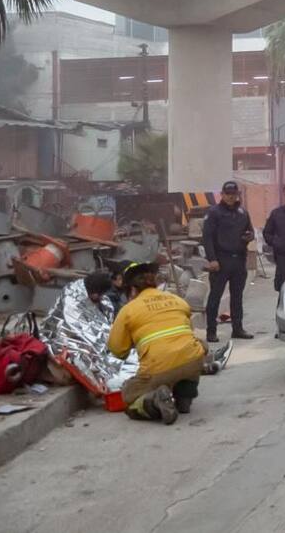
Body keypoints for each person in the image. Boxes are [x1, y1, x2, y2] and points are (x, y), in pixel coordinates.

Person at [108, 262, 207, 424]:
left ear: (132, 289)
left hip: (158, 367)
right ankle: (185, 395)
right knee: (196, 350)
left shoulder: (128, 310)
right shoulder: (177, 300)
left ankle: (154, 400)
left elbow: (117, 349)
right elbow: (188, 333)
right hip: (192, 360)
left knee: (129, 397)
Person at [202, 180, 255, 342]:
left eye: (233, 194)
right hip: (221, 260)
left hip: (238, 260)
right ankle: (211, 331)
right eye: (227, 194)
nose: (230, 197)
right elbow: (207, 237)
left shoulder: (242, 212)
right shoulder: (214, 213)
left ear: (237, 194)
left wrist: (249, 236)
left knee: (237, 297)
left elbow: (250, 231)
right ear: (222, 194)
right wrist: (212, 259)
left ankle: (237, 328)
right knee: (215, 297)